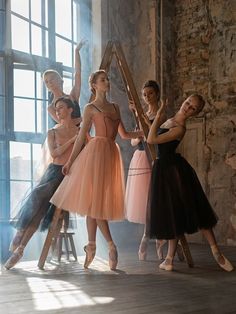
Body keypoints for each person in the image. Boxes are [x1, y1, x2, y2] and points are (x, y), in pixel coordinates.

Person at [50, 70, 143, 271]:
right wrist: (70, 162)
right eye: (103, 80)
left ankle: (93, 246)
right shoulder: (90, 108)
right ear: (94, 85)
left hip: (110, 154)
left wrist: (143, 132)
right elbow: (82, 136)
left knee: (95, 203)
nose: (107, 82)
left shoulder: (116, 107)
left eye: (107, 79)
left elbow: (125, 135)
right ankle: (109, 245)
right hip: (94, 154)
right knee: (94, 203)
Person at [147, 94, 234, 272]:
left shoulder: (180, 128)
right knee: (174, 212)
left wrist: (159, 113)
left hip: (172, 169)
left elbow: (151, 139)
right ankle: (169, 259)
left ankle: (215, 250)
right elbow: (154, 135)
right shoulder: (172, 120)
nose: (187, 107)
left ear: (195, 113)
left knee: (194, 207)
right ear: (183, 101)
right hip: (165, 168)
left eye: (192, 108)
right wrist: (147, 118)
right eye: (187, 103)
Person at [5, 97, 80, 269]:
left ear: (70, 110)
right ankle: (20, 243)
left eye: (61, 107)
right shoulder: (52, 132)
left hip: (68, 177)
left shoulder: (79, 131)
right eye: (56, 108)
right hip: (53, 172)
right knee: (38, 204)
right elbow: (54, 154)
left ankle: (20, 243)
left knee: (42, 205)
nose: (58, 111)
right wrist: (71, 141)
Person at [125, 80, 166, 261]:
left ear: (157, 94)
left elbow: (155, 136)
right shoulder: (142, 114)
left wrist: (140, 118)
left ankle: (151, 237)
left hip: (155, 157)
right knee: (146, 202)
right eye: (144, 94)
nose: (147, 97)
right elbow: (134, 141)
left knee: (157, 199)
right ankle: (150, 237)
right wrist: (139, 121)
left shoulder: (160, 114)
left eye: (150, 93)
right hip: (140, 157)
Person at [43, 39, 86, 126]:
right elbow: (66, 125)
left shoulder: (72, 96)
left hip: (79, 137)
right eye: (46, 81)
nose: (49, 83)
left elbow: (78, 73)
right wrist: (85, 117)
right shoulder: (51, 108)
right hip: (62, 139)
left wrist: (76, 51)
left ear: (60, 80)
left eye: (52, 79)